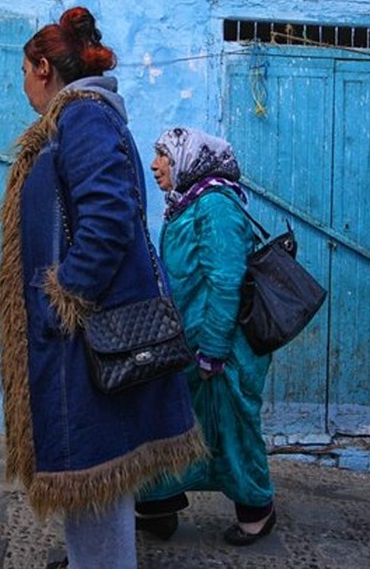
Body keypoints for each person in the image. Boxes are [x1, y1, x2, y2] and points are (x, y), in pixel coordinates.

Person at [0, 8, 205, 569]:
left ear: (44, 67)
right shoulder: (83, 117)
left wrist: (65, 292)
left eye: (23, 70)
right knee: (90, 474)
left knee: (95, 471)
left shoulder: (83, 118)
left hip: (82, 334)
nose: (22, 84)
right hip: (78, 332)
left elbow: (109, 215)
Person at [136, 127, 278, 546]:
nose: (155, 164)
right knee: (170, 426)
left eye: (163, 154)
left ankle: (257, 509)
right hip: (188, 343)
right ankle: (157, 505)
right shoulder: (188, 203)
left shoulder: (215, 205)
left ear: (187, 159)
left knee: (232, 430)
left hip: (222, 349)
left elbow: (226, 279)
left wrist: (214, 349)